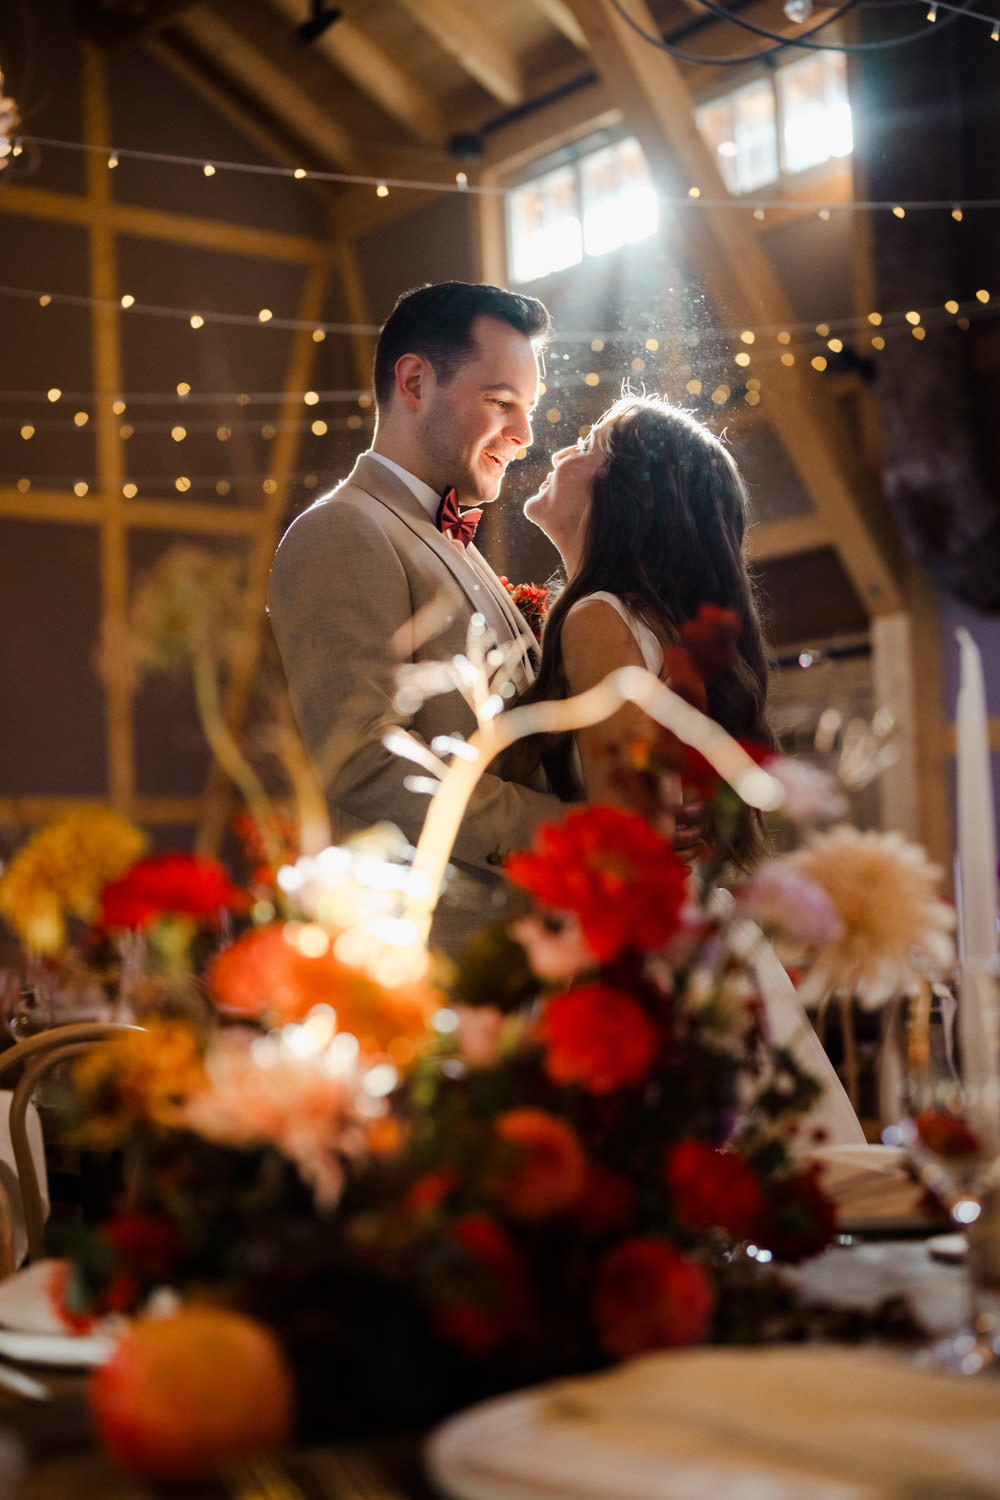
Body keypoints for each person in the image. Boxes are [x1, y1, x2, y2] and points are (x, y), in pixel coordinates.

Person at [507, 392, 865, 1145]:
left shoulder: (598, 616)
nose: (563, 452)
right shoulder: (652, 622)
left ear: (624, 492)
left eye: (590, 441)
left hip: (640, 951)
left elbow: (629, 833)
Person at [267, 282, 565, 956]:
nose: (523, 435)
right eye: (501, 402)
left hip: (523, 949)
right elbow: (367, 758)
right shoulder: (342, 530)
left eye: (529, 408)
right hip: (438, 957)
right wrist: (568, 834)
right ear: (414, 381)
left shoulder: (448, 537)